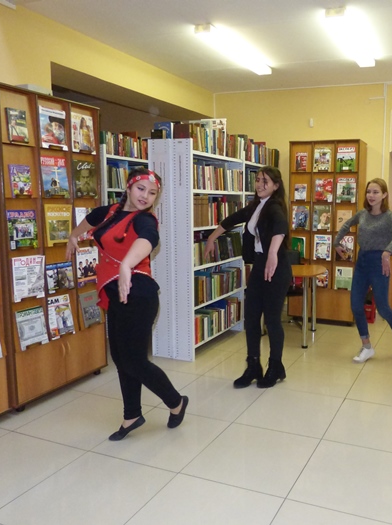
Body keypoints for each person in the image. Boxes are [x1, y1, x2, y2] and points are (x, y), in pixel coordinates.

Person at [65, 166, 187, 441]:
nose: (145, 196)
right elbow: (87, 223)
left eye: (152, 193)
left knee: (135, 361)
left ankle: (176, 402)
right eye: (141, 189)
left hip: (139, 295)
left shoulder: (145, 220)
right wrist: (73, 236)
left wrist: (126, 265)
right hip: (116, 295)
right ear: (129, 187)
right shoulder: (109, 212)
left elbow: (148, 239)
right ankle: (132, 414)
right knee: (121, 358)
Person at [204, 166, 291, 388]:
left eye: (265, 181)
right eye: (258, 180)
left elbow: (281, 227)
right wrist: (212, 237)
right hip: (260, 266)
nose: (260, 184)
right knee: (251, 318)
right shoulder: (255, 206)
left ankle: (275, 366)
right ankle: (253, 366)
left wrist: (272, 254)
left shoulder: (274, 207)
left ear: (276, 186)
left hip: (276, 268)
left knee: (272, 320)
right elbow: (231, 219)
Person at [335, 178, 392, 363]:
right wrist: (337, 243)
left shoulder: (389, 217)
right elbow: (346, 225)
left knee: (383, 308)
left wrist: (387, 252)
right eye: (369, 192)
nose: (371, 195)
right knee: (355, 305)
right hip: (362, 262)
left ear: (384, 195)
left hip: (379, 264)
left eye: (376, 192)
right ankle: (366, 346)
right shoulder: (362, 214)